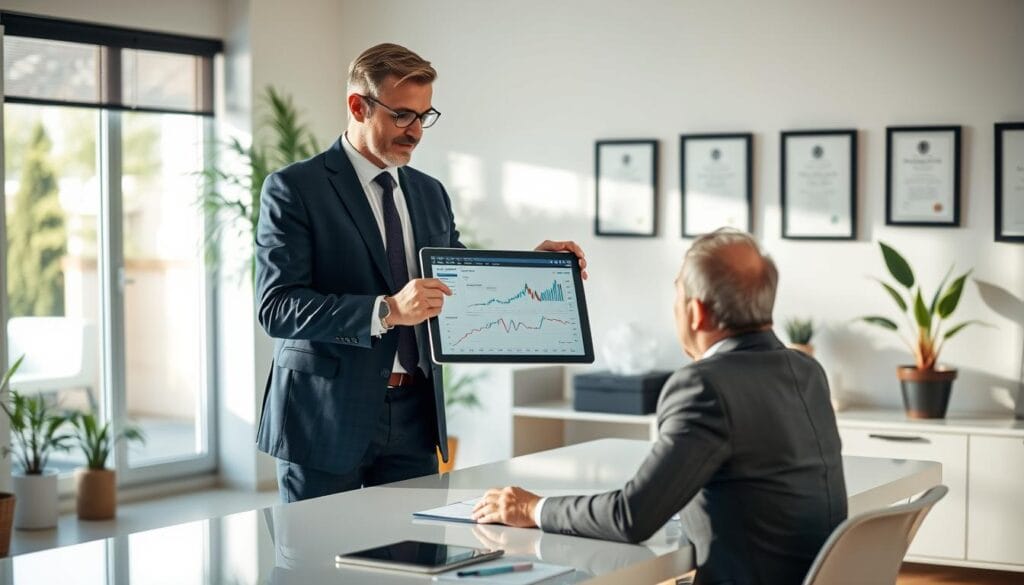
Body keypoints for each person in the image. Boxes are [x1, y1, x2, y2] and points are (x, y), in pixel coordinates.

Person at [255, 43, 586, 503]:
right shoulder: (294, 188)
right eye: (402, 116)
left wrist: (535, 266)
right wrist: (386, 311)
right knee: (317, 564)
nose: (415, 132)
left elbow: (459, 285)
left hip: (415, 415)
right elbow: (278, 307)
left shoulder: (430, 193)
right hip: (325, 418)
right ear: (358, 105)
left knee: (412, 564)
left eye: (424, 117)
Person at [473, 228, 846, 585]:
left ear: (696, 312)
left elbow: (631, 517)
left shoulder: (705, 386)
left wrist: (531, 508)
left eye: (677, 294)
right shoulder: (806, 369)